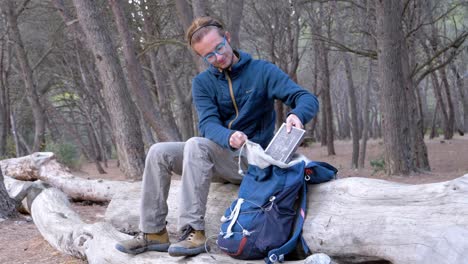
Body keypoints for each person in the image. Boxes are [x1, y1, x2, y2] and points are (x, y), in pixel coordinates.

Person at [115, 16, 319, 257]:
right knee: (159, 151)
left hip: (254, 161)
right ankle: (153, 232)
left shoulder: (262, 71)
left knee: (196, 145)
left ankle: (194, 231)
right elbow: (208, 124)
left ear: (228, 38)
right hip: (220, 156)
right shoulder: (202, 83)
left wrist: (297, 115)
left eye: (219, 48)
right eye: (209, 56)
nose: (218, 58)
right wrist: (229, 136)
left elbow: (306, 98)